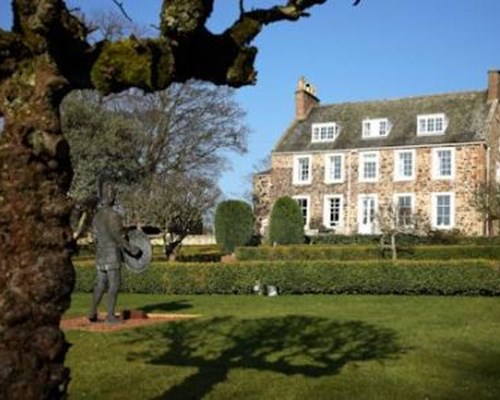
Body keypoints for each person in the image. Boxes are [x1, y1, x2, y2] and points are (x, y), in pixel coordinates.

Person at [88, 179, 139, 323]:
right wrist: (131, 248)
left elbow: (95, 236)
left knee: (100, 284)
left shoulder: (96, 217)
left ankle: (92, 311)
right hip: (111, 254)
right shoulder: (114, 215)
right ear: (112, 197)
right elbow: (118, 237)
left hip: (100, 253)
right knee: (114, 284)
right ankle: (110, 316)